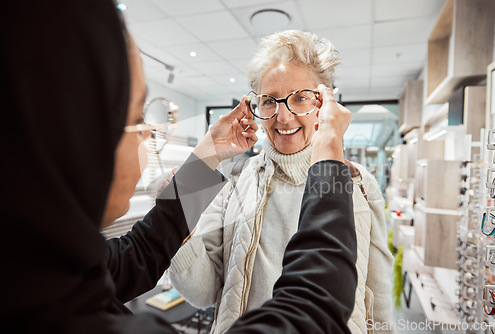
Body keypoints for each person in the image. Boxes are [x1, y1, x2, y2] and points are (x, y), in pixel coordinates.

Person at [2, 1, 356, 333]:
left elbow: (141, 251)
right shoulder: (242, 183)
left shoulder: (42, 272)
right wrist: (328, 161)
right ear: (74, 138)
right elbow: (313, 307)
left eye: (300, 98)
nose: (148, 135)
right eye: (137, 115)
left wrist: (207, 156)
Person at [169, 30, 394, 334]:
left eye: (300, 98)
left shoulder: (358, 184)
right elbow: (202, 293)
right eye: (269, 101)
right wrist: (179, 223)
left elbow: (377, 299)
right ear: (257, 109)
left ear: (323, 103)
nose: (284, 117)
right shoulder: (233, 183)